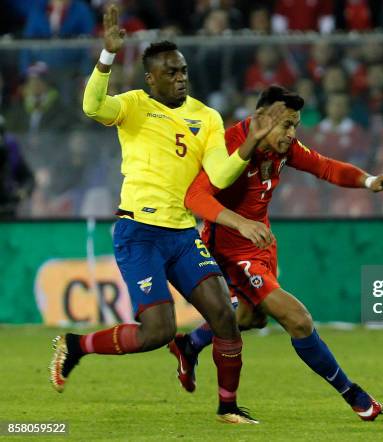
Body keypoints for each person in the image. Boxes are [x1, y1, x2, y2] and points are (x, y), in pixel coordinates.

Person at [48, 4, 286, 425]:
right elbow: (91, 106)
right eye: (171, 73)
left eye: (183, 71)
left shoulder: (206, 117)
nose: (180, 79)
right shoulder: (134, 105)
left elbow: (219, 173)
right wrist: (106, 57)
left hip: (181, 233)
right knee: (156, 332)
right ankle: (75, 346)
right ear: (150, 78)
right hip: (138, 231)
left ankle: (228, 407)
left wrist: (250, 143)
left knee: (226, 318)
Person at [168, 85, 383, 421]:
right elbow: (195, 197)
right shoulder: (230, 144)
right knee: (298, 319)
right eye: (286, 125)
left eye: (295, 125)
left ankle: (189, 345)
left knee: (252, 317)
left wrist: (368, 182)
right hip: (230, 248)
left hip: (260, 244)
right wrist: (240, 224)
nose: (292, 134)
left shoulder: (283, 147)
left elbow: (325, 167)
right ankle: (354, 395)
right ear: (261, 118)